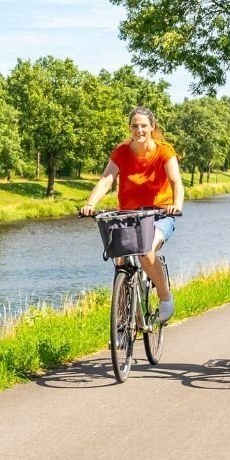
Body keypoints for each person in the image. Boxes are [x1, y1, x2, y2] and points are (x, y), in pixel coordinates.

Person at [79, 107, 185, 323]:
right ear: (130, 128)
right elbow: (107, 179)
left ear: (152, 127)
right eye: (135, 126)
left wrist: (176, 205)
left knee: (146, 252)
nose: (139, 130)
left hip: (159, 214)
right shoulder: (122, 152)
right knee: (120, 261)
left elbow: (176, 182)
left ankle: (165, 298)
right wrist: (90, 203)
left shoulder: (164, 151)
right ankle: (121, 321)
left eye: (143, 125)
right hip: (128, 215)